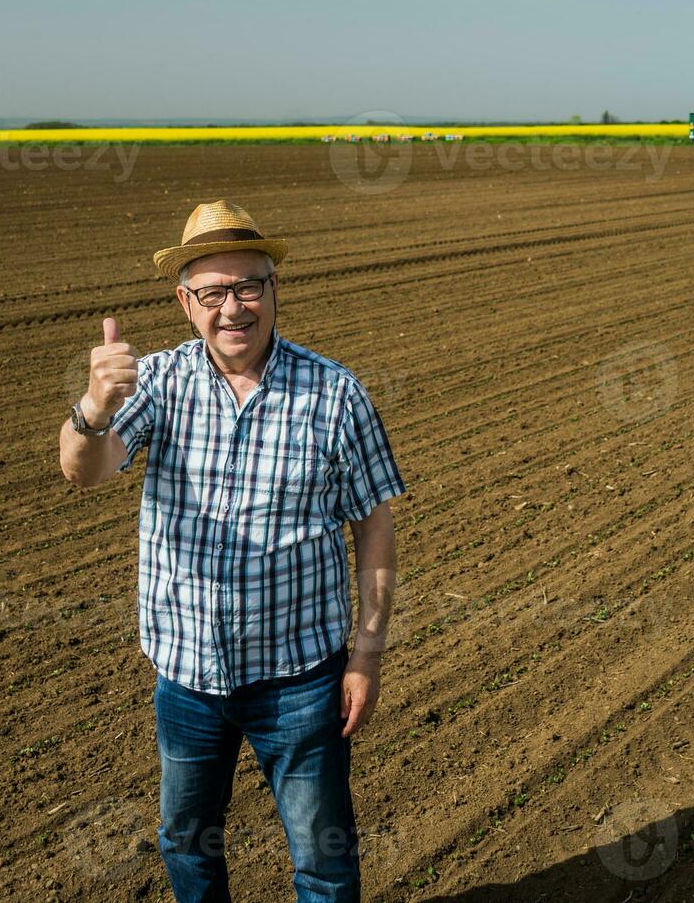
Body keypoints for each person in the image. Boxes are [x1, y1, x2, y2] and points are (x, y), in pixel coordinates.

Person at [58, 199, 405, 902]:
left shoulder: (334, 394)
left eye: (248, 286)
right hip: (187, 680)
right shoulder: (156, 383)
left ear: (275, 290)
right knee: (188, 845)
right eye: (213, 292)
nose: (233, 308)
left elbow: (373, 525)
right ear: (185, 302)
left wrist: (366, 655)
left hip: (301, 681)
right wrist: (92, 411)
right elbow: (83, 469)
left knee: (322, 860)